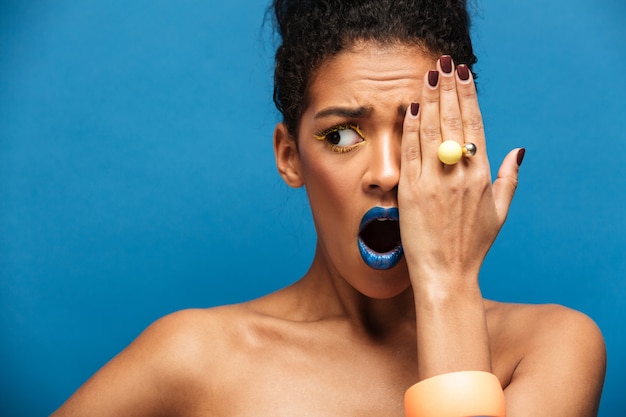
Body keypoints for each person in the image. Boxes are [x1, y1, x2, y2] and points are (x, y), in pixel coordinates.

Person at [51, 0, 606, 416]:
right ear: (290, 157)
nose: (388, 173)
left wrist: (448, 281)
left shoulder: (548, 347)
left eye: (419, 130)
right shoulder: (194, 356)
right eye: (341, 136)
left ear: (466, 145)